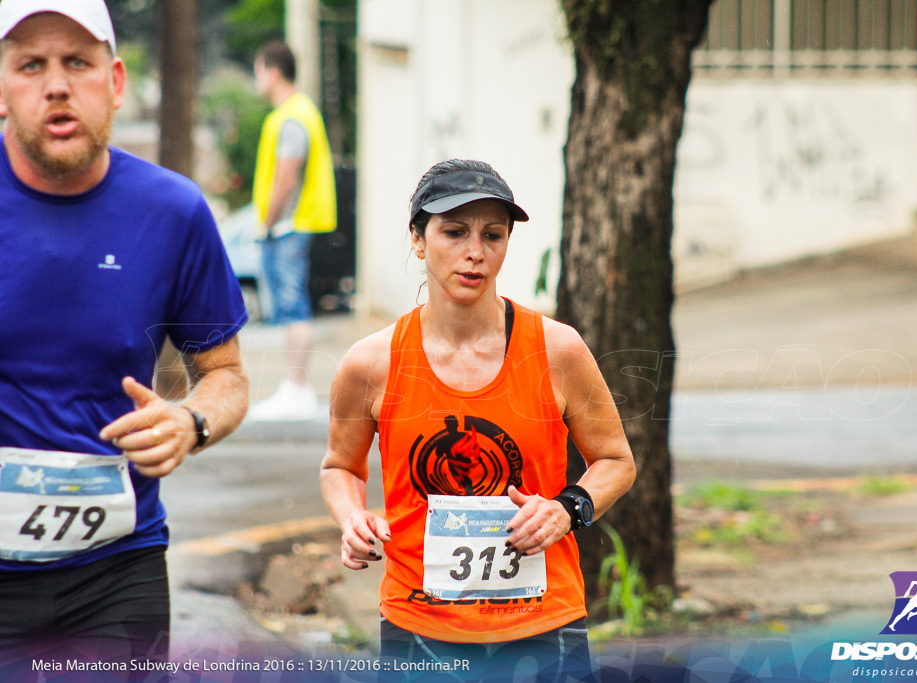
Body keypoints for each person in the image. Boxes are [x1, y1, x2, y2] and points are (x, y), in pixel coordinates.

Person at [0, 0, 249, 671]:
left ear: (113, 84)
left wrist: (190, 421)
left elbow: (225, 376)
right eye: (30, 65)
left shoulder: (173, 213)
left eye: (76, 63)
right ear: (1, 88)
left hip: (115, 570)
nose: (56, 84)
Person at [320, 159, 636, 681]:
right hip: (420, 625)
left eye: (493, 235)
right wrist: (352, 518)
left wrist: (566, 509)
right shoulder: (370, 364)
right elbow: (340, 468)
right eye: (454, 231)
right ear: (418, 240)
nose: (475, 252)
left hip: (544, 622)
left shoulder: (557, 349)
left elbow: (615, 461)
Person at [249, 40, 337, 421]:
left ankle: (297, 388)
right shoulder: (300, 112)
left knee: (293, 307)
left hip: (287, 226)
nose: (256, 81)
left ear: (271, 72)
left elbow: (286, 176)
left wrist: (267, 223)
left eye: (256, 72)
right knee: (292, 306)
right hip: (294, 225)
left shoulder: (291, 117)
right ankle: (294, 386)